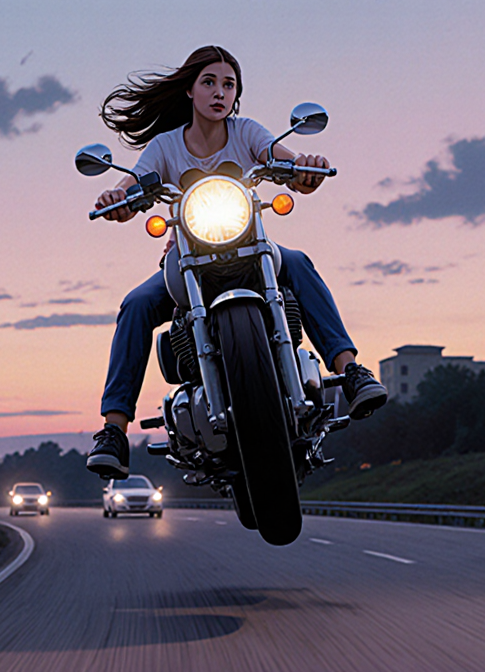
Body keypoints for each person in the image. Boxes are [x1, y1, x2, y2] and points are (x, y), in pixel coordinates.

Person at [86, 45, 387, 479]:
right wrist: (118, 197)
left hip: (249, 251)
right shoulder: (166, 146)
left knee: (298, 262)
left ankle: (351, 371)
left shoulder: (247, 132)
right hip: (185, 262)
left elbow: (284, 162)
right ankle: (113, 430)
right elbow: (137, 181)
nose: (219, 92)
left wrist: (305, 166)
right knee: (135, 304)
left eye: (229, 84)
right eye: (209, 82)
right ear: (189, 90)